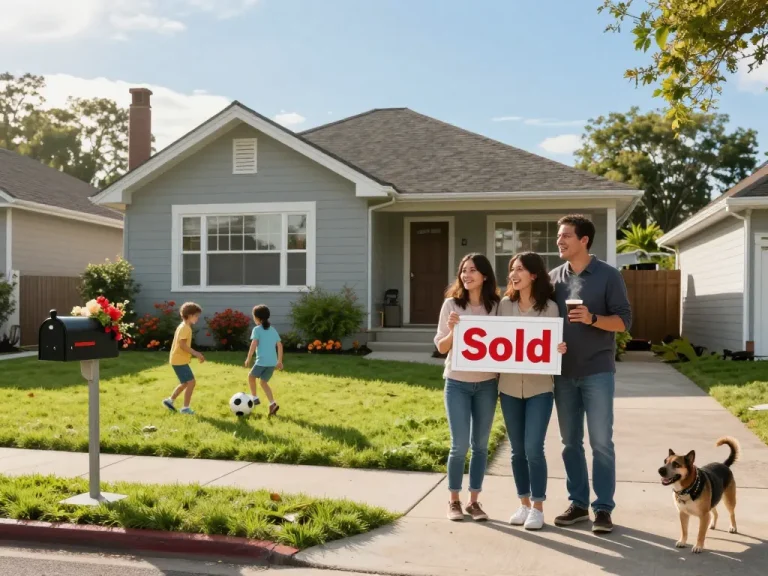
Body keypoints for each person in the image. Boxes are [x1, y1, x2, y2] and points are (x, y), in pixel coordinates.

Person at [549, 214, 632, 534]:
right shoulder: (554, 277)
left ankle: (603, 508)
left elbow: (625, 322)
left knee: (601, 442)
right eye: (559, 236)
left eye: (566, 235)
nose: (560, 240)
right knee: (569, 443)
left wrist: (592, 318)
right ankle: (579, 504)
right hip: (563, 373)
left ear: (584, 240)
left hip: (597, 370)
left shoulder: (609, 276)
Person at [498, 252, 567, 530]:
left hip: (540, 388)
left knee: (533, 448)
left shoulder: (549, 307)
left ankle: (538, 506)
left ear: (534, 275)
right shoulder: (504, 305)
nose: (514, 274)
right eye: (512, 269)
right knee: (517, 451)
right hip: (509, 387)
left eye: (520, 270)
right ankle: (523, 503)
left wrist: (558, 349)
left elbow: (553, 344)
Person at [434, 253, 500, 522]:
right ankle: (453, 500)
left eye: (473, 270)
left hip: (486, 384)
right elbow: (440, 347)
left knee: (481, 445)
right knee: (459, 445)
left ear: (484, 275)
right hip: (457, 383)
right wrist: (451, 331)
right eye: (463, 270)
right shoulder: (451, 304)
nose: (466, 275)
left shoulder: (496, 306)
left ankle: (474, 501)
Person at [163, 302, 205, 414]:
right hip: (179, 360)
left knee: (185, 383)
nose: (197, 318)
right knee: (191, 382)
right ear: (190, 315)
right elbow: (182, 345)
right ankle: (185, 408)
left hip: (176, 360)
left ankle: (170, 400)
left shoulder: (182, 326)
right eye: (196, 316)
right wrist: (196, 353)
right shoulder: (186, 328)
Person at [244, 304, 283, 417]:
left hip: (262, 362)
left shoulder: (257, 329)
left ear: (257, 318)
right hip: (272, 363)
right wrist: (279, 361)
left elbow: (253, 344)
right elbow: (280, 345)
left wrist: (248, 358)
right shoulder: (273, 330)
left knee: (251, 377)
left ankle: (254, 398)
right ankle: (272, 404)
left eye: (253, 316)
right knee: (263, 382)